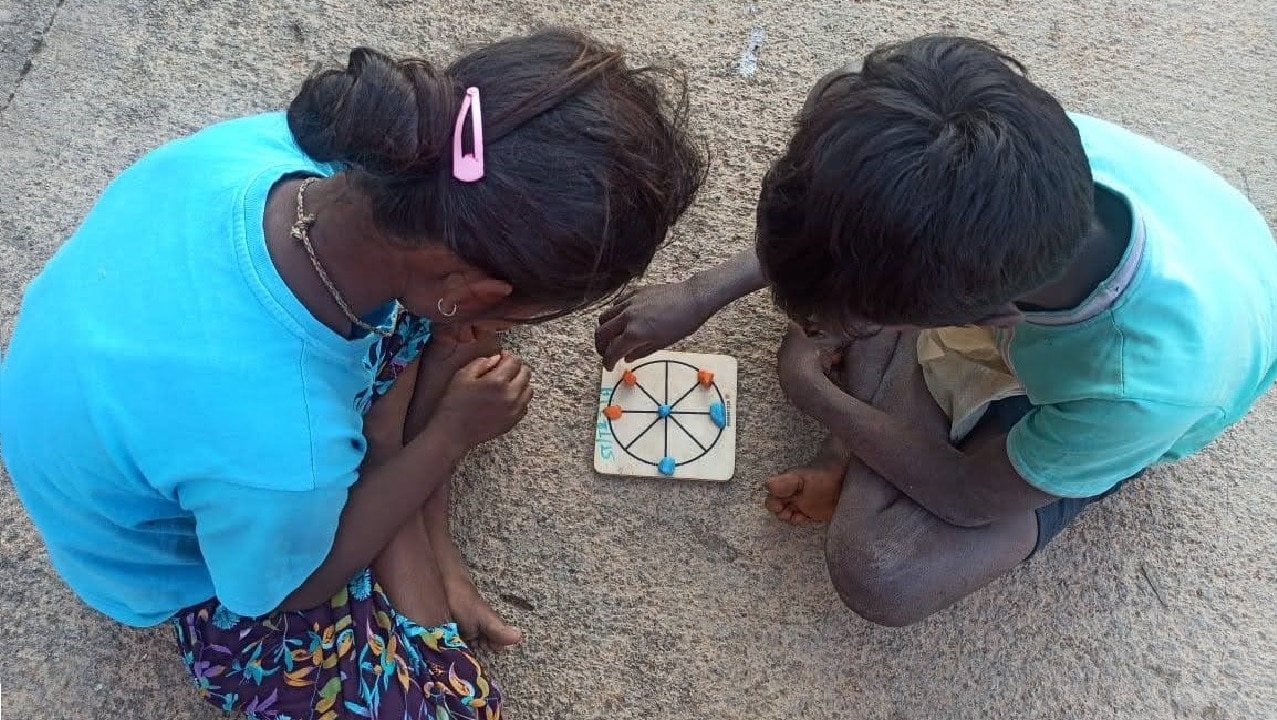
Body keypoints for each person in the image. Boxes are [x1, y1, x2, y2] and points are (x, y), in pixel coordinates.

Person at [0, 29, 703, 717]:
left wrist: (426, 514)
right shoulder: (282, 453)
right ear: (467, 284)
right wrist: (447, 439)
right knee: (447, 705)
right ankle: (391, 455)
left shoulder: (291, 151)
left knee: (427, 345)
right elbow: (289, 593)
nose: (511, 326)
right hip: (179, 560)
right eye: (521, 311)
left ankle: (387, 458)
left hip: (181, 405)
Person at [596, 35, 1276, 627]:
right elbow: (855, 218)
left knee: (882, 572)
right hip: (1064, 310)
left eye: (884, 318)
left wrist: (814, 393)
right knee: (840, 297)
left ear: (980, 317)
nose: (807, 319)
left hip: (1111, 398)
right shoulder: (989, 144)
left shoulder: (1138, 391)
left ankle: (874, 397)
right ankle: (881, 389)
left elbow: (971, 497)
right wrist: (700, 292)